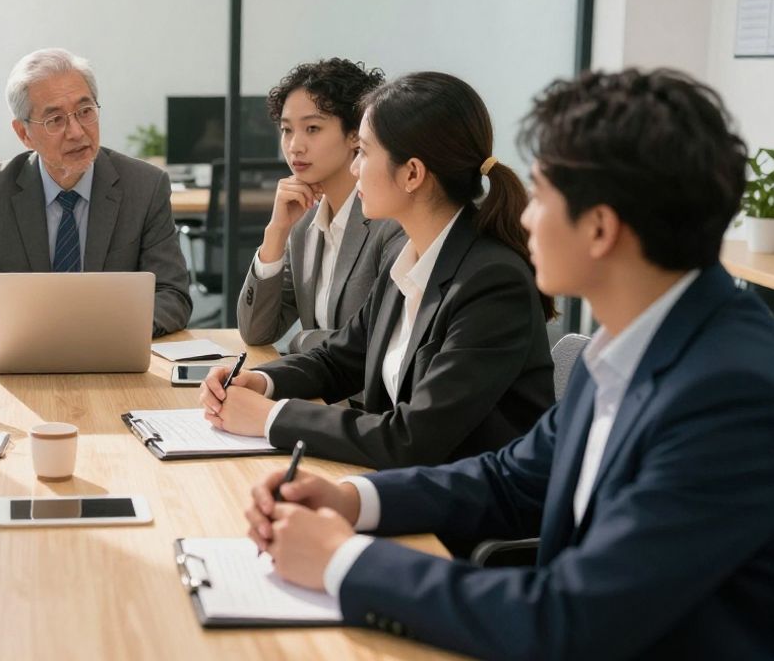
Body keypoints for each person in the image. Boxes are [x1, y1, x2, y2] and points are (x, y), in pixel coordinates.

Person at [243, 68, 774, 658]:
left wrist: (343, 561)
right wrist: (352, 501)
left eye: (544, 195)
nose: (524, 216)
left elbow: (572, 620)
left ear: (600, 228)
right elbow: (511, 477)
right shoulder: (629, 345)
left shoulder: (730, 391)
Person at [202, 72, 554, 469]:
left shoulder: (491, 282)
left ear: (412, 174)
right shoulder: (407, 259)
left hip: (460, 517)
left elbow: (412, 438)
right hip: (405, 485)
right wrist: (264, 381)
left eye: (364, 153)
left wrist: (269, 417)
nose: (355, 170)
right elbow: (339, 359)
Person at [0, 48, 192, 343]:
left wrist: (109, 331)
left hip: (112, 354)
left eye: (85, 112)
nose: (77, 132)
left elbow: (173, 295)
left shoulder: (145, 186)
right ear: (24, 134)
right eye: (55, 120)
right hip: (24, 355)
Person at [237, 59, 404, 355]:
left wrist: (301, 342)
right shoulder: (304, 223)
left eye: (312, 128)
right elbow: (256, 331)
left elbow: (376, 344)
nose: (294, 146)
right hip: (318, 394)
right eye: (287, 130)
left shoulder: (390, 222)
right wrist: (276, 233)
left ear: (356, 133)